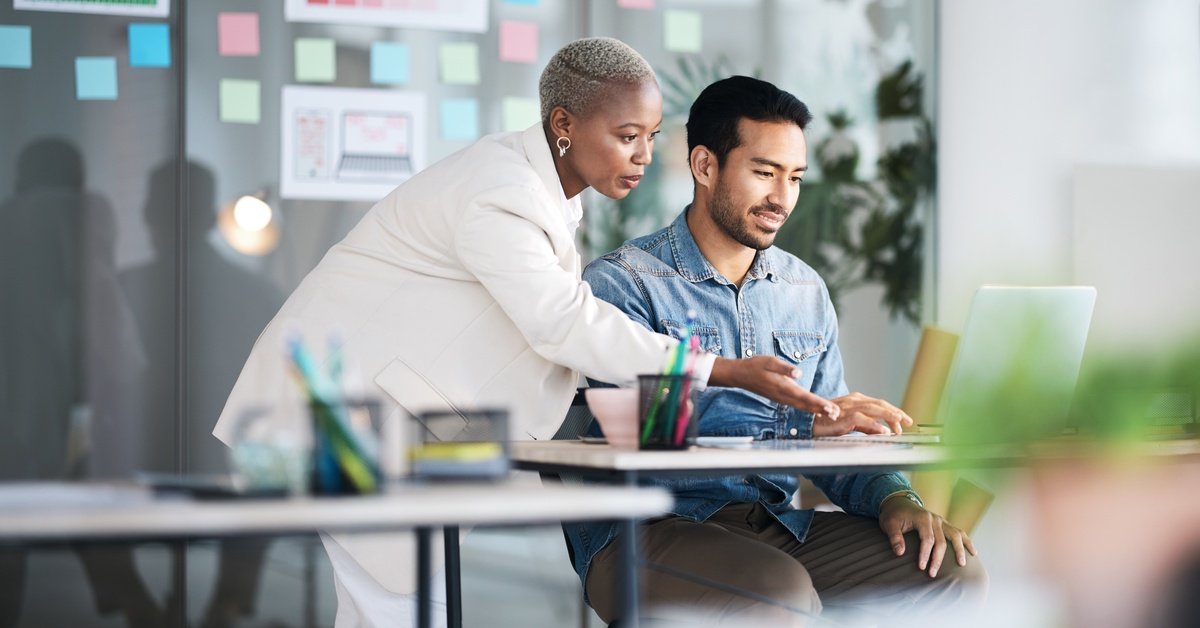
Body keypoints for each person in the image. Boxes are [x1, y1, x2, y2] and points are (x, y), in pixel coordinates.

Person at [213, 38, 840, 627]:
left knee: (394, 609)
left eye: (649, 136)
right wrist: (720, 368)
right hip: (336, 416)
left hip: (384, 421)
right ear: (564, 125)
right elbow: (561, 321)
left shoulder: (546, 195)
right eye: (626, 136)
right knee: (401, 610)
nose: (644, 156)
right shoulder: (501, 191)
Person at [567, 76, 989, 626]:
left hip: (773, 526)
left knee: (952, 573)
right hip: (646, 530)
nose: (782, 197)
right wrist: (798, 430)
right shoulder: (625, 284)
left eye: (794, 178)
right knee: (778, 591)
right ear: (704, 166)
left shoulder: (804, 291)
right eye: (764, 173)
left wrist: (896, 500)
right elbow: (650, 444)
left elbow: (837, 437)